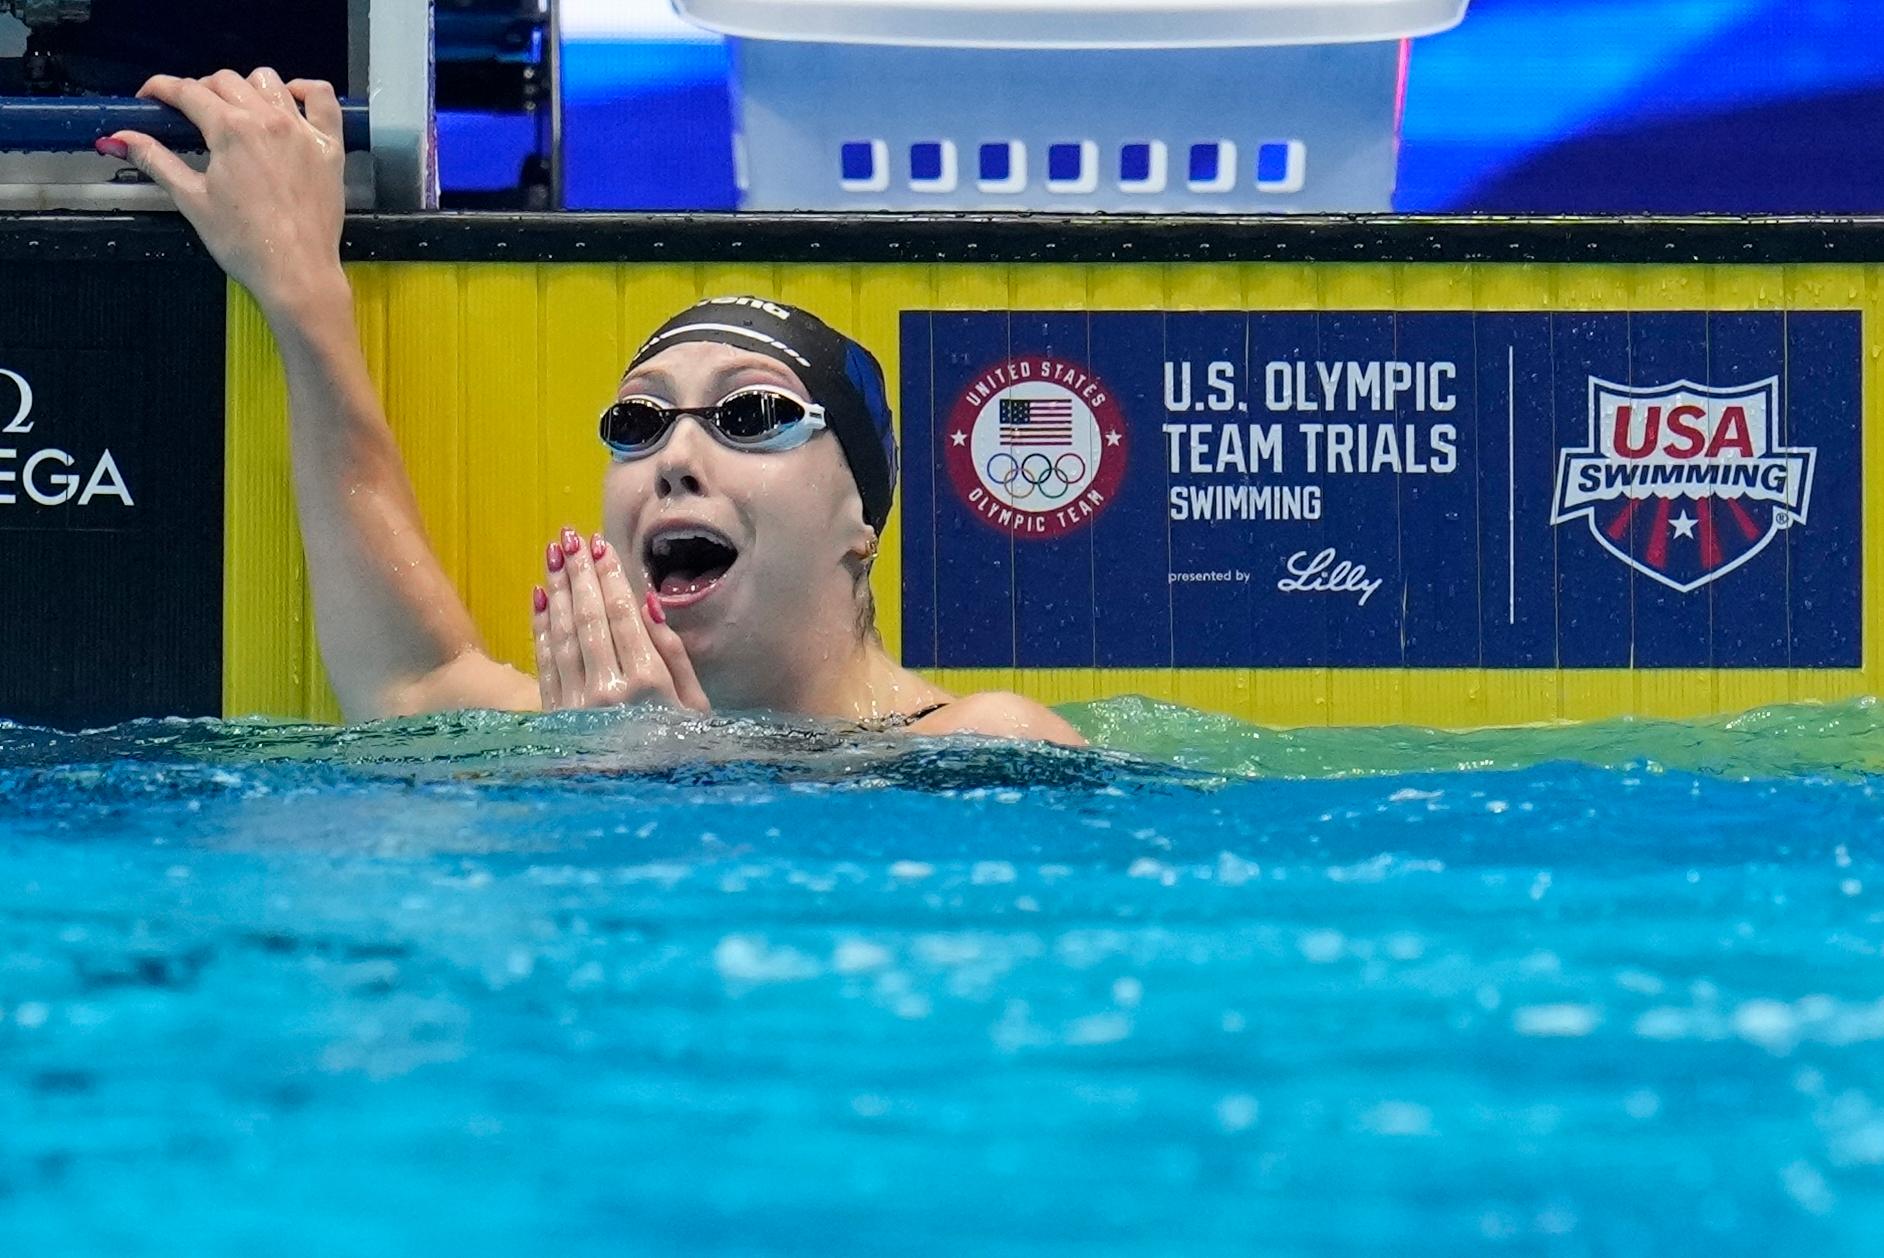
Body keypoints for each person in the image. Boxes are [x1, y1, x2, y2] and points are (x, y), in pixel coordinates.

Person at [101, 68, 1084, 746]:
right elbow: (412, 681)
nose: (674, 457)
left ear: (860, 519)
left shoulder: (982, 746)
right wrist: (298, 284)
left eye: (748, 415)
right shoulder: (587, 733)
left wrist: (654, 794)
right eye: (638, 423)